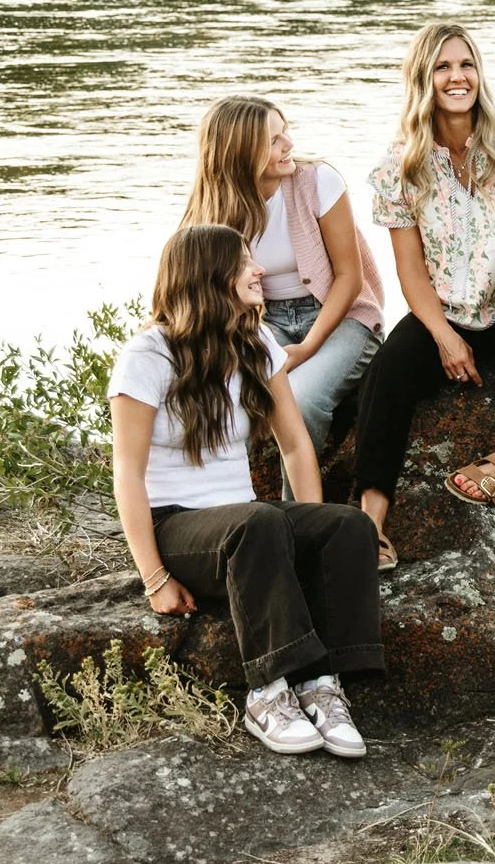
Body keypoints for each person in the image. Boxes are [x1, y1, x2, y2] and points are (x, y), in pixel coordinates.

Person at [109, 224, 382, 756]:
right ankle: (267, 691)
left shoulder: (256, 342)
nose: (260, 271)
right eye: (244, 263)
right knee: (258, 522)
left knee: (348, 525)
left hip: (243, 524)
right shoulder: (147, 356)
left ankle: (320, 683)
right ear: (211, 278)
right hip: (177, 526)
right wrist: (154, 577)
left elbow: (297, 448)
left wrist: (313, 539)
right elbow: (127, 474)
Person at [352, 22, 495, 568]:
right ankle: (369, 525)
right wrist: (443, 337)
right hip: (449, 311)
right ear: (423, 80)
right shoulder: (399, 166)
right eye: (443, 68)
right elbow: (410, 272)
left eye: (467, 65)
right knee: (387, 371)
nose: (458, 78)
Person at [180, 94, 385, 499]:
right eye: (274, 140)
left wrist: (307, 348)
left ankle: (303, 526)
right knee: (220, 398)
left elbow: (349, 277)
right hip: (264, 323)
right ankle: (222, 513)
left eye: (284, 131)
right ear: (241, 152)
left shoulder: (317, 181)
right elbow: (200, 290)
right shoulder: (213, 205)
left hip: (342, 316)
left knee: (301, 400)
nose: (288, 143)